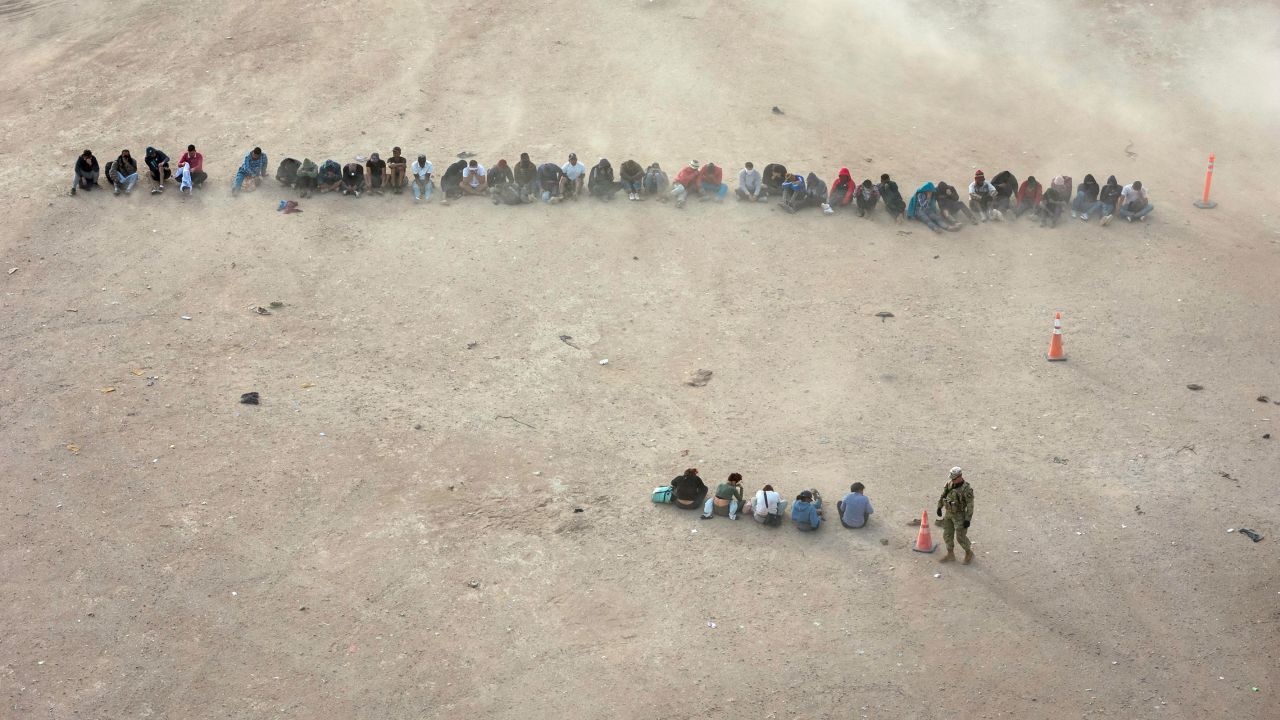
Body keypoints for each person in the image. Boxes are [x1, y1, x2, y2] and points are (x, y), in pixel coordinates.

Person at [936, 467, 974, 564]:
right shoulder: (949, 484)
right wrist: (939, 507)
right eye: (951, 478)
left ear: (960, 476)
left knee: (960, 537)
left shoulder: (967, 489)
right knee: (947, 534)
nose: (952, 480)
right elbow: (943, 495)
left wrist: (967, 520)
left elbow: (970, 505)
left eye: (954, 478)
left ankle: (968, 553)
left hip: (959, 515)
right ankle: (950, 554)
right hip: (949, 513)